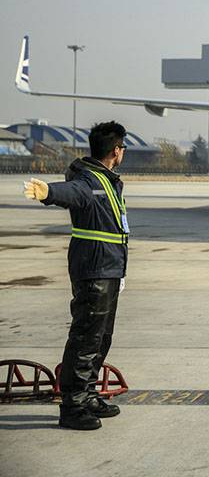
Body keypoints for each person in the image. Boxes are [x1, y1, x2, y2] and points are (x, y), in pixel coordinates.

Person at [23, 121, 130, 431]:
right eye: (122, 148)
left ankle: (88, 394)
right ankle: (72, 407)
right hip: (94, 270)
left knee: (101, 338)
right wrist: (47, 192)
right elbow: (71, 192)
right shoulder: (90, 180)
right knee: (85, 339)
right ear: (116, 151)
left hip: (108, 268)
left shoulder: (108, 181)